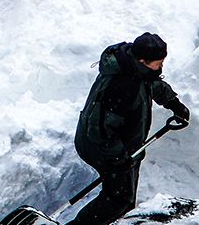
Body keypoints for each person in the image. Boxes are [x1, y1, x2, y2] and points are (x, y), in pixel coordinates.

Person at [67, 32, 191, 225]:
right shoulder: (123, 85)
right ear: (142, 60)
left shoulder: (133, 67)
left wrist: (173, 103)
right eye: (158, 63)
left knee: (123, 195)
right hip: (101, 147)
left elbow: (151, 84)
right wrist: (118, 156)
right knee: (119, 200)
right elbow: (99, 129)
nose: (161, 67)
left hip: (119, 147)